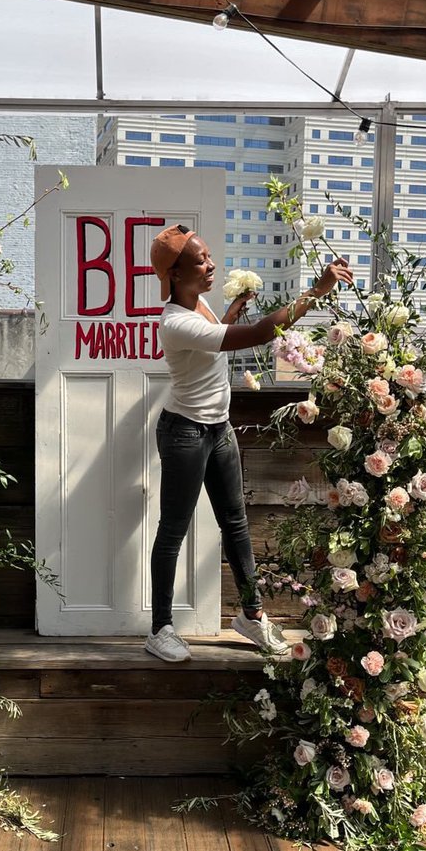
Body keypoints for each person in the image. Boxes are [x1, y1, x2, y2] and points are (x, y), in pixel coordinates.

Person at [145, 224, 353, 663]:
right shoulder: (174, 321)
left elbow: (214, 344)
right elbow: (261, 335)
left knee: (235, 524)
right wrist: (317, 290)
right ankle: (160, 627)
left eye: (208, 255)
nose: (211, 264)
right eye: (201, 260)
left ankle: (252, 615)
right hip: (184, 432)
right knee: (172, 531)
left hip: (218, 429)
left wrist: (230, 313)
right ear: (175, 275)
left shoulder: (197, 305)